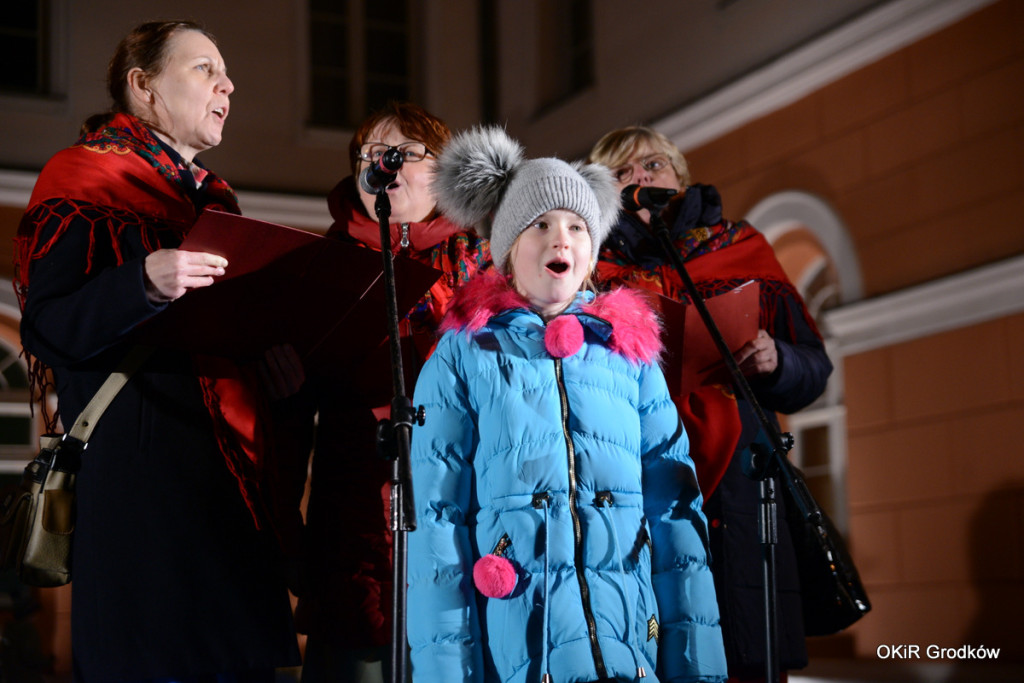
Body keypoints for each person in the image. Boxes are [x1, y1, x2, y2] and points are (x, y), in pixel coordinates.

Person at [14, 21, 302, 682]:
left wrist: (278, 375)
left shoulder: (215, 200)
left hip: (226, 508)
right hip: (142, 511)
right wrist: (140, 283)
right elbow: (47, 329)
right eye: (204, 69)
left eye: (225, 72)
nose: (228, 85)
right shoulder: (82, 179)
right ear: (144, 86)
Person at [406, 125, 728, 683]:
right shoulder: (464, 353)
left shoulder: (630, 356)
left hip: (628, 645)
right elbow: (436, 525)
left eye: (577, 226)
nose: (562, 238)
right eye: (540, 224)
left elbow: (676, 518)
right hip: (519, 646)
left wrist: (699, 669)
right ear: (508, 250)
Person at [588, 126, 833, 682]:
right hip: (640, 476)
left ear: (680, 176)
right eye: (622, 172)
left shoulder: (739, 247)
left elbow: (813, 367)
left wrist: (778, 359)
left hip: (741, 487)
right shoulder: (591, 265)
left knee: (746, 649)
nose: (640, 177)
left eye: (653, 165)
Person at [292, 102, 491, 683]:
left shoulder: (485, 263)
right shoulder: (325, 263)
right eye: (373, 154)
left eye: (404, 152)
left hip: (460, 499)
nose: (386, 164)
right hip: (353, 508)